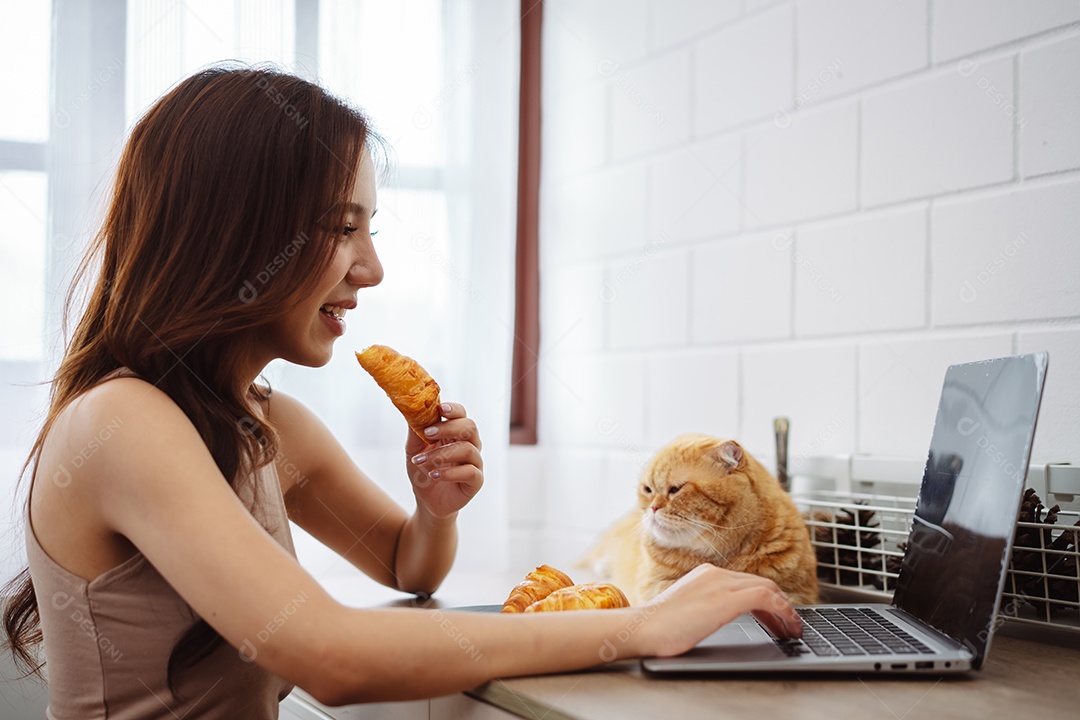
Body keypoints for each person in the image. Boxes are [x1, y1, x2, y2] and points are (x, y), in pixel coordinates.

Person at [2, 66, 800, 718]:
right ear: (237, 232)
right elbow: (330, 658)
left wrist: (433, 510)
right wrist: (645, 625)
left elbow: (405, 568)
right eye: (340, 228)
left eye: (370, 231)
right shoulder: (124, 419)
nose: (371, 270)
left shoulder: (264, 424)